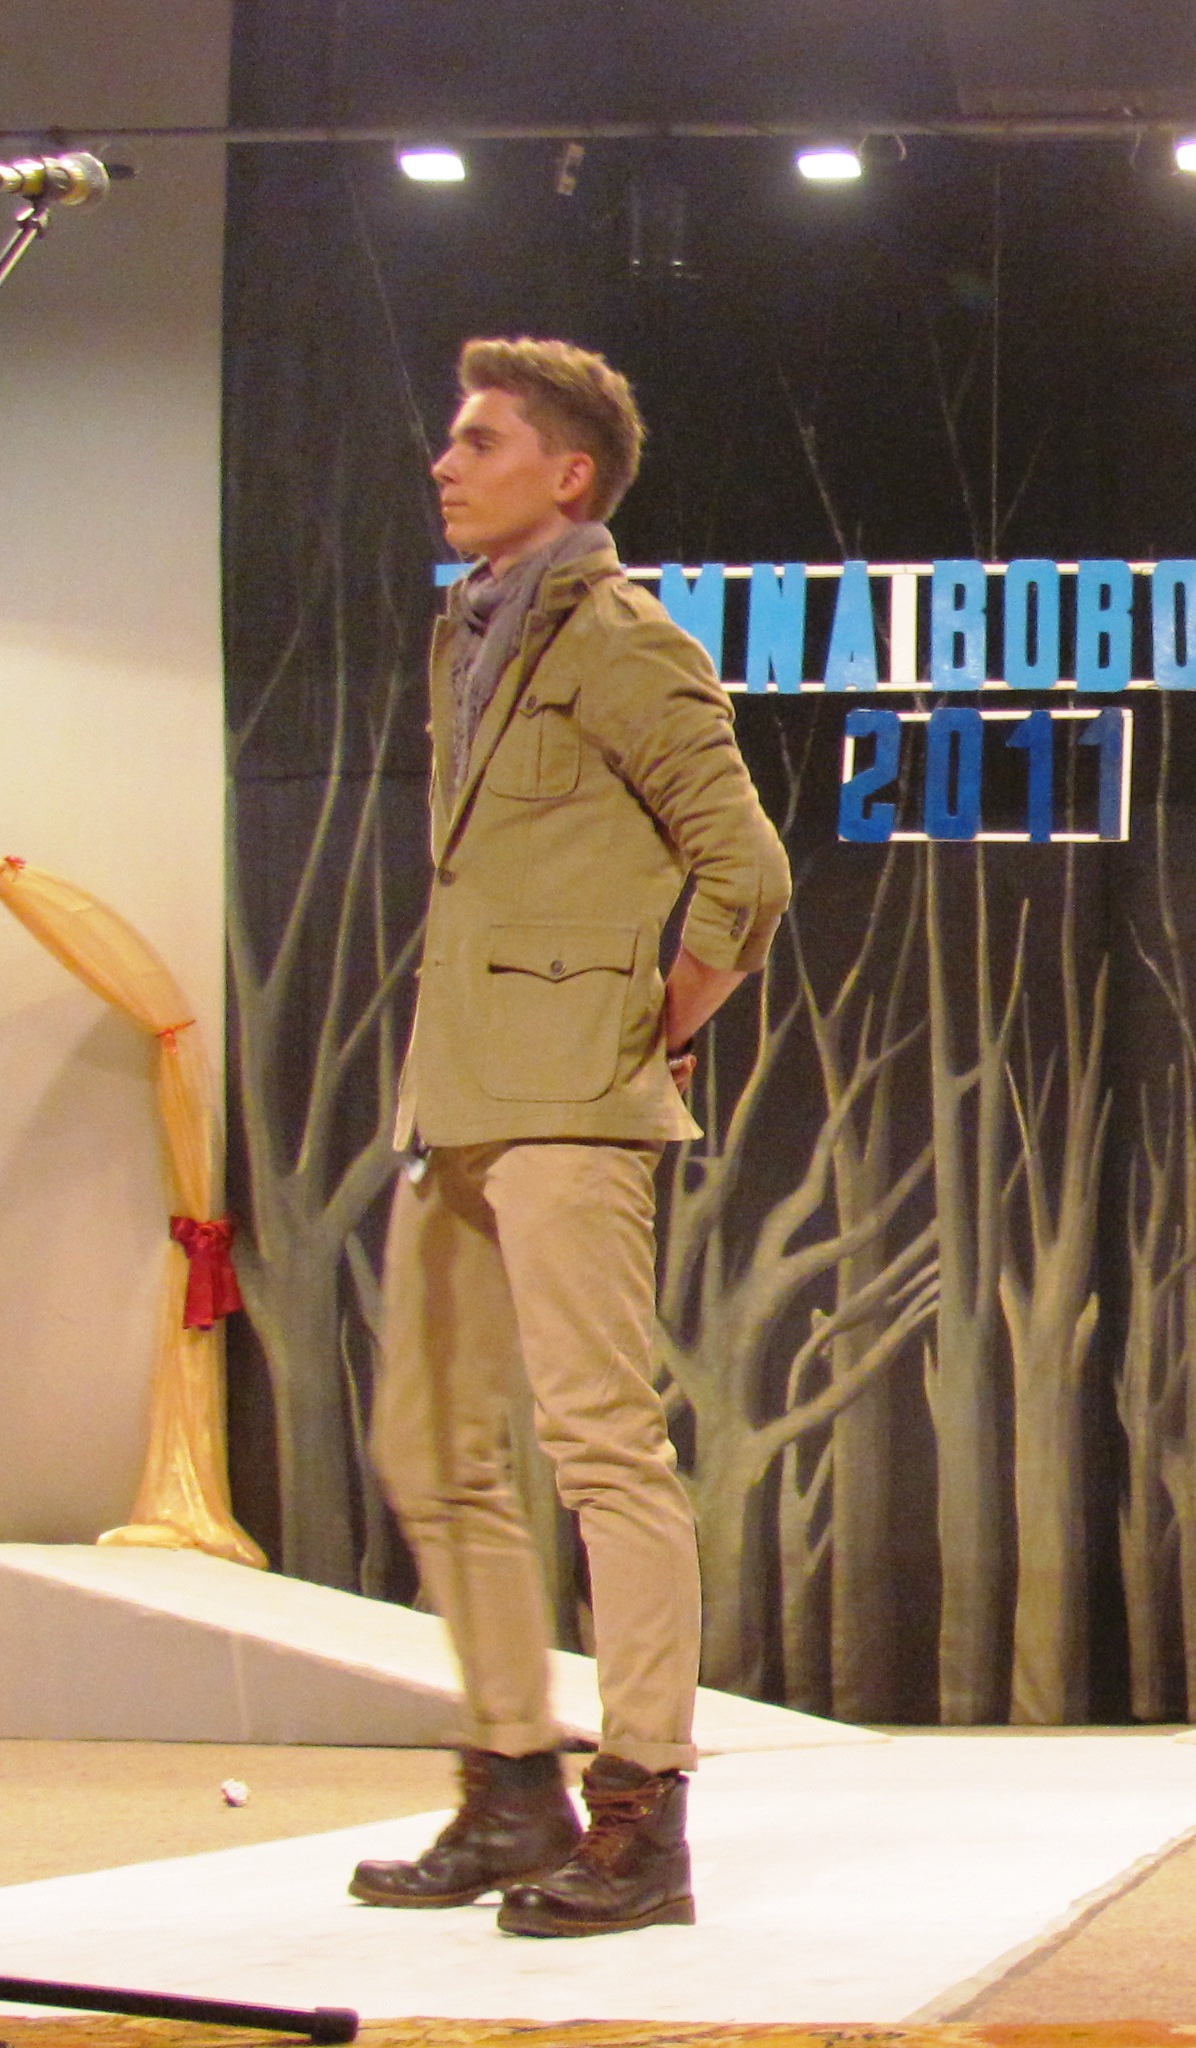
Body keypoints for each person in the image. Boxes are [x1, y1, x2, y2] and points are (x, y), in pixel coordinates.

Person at [346, 337, 790, 1938]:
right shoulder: (469, 632)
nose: (447, 463)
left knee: (602, 1445)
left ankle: (643, 1813)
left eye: (481, 441)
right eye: (451, 439)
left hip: (571, 1104)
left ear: (570, 473)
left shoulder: (623, 642)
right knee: (431, 1450)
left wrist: (656, 1020)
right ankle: (510, 1785)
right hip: (457, 1092)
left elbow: (746, 871)